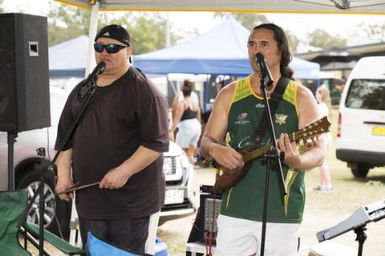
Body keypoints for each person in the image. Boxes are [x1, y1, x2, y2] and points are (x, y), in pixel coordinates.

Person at [200, 23, 326, 256]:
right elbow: (206, 141)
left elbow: (318, 152)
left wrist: (298, 161)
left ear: (281, 51)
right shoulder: (230, 93)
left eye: (264, 44)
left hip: (282, 211)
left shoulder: (300, 95)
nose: (255, 50)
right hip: (234, 207)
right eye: (251, 44)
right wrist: (216, 150)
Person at [54, 24, 169, 254]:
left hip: (130, 205)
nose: (104, 52)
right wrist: (63, 174)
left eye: (113, 48)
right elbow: (66, 138)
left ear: (129, 50)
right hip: (90, 201)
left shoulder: (143, 90)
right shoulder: (82, 89)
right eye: (99, 47)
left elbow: (155, 143)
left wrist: (124, 171)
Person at [169, 79, 202, 165]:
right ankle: (192, 170)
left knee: (181, 151)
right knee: (190, 153)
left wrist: (171, 130)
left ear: (182, 91)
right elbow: (198, 116)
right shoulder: (195, 102)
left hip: (186, 126)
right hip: (197, 126)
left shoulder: (182, 102)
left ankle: (185, 171)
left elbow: (177, 118)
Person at [313, 86, 333, 192]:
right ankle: (321, 184)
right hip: (324, 136)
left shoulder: (321, 107)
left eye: (316, 93)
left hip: (322, 136)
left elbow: (319, 122)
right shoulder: (323, 106)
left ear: (321, 94)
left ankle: (328, 185)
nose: (315, 95)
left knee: (322, 161)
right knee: (321, 160)